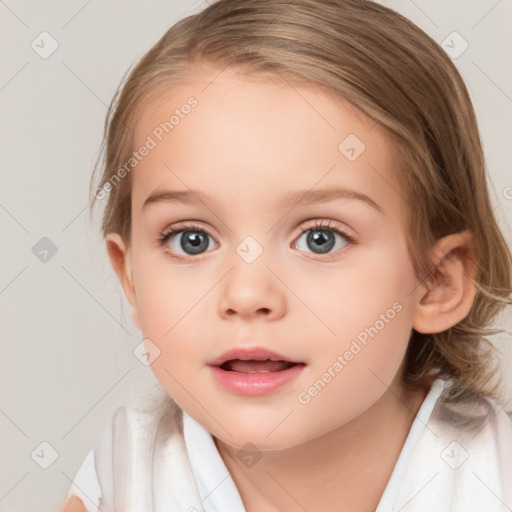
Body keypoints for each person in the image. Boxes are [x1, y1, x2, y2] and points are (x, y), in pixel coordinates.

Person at [61, 0, 512, 510]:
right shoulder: (126, 478)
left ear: (435, 281)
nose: (247, 294)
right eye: (192, 239)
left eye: (321, 238)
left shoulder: (493, 474)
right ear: (132, 280)